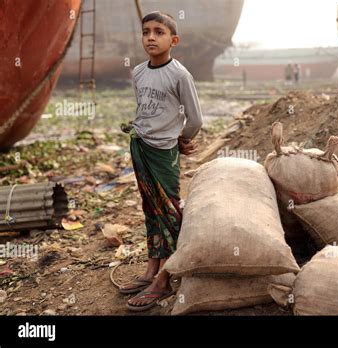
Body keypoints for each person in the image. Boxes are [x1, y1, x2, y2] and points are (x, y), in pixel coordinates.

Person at [120, 11, 203, 311]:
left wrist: (182, 140)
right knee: (150, 209)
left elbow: (195, 118)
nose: (151, 37)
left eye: (159, 32)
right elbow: (143, 108)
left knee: (168, 211)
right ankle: (150, 269)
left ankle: (165, 278)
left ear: (174, 40)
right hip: (140, 147)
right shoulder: (139, 72)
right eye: (146, 32)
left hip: (163, 152)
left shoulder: (180, 75)